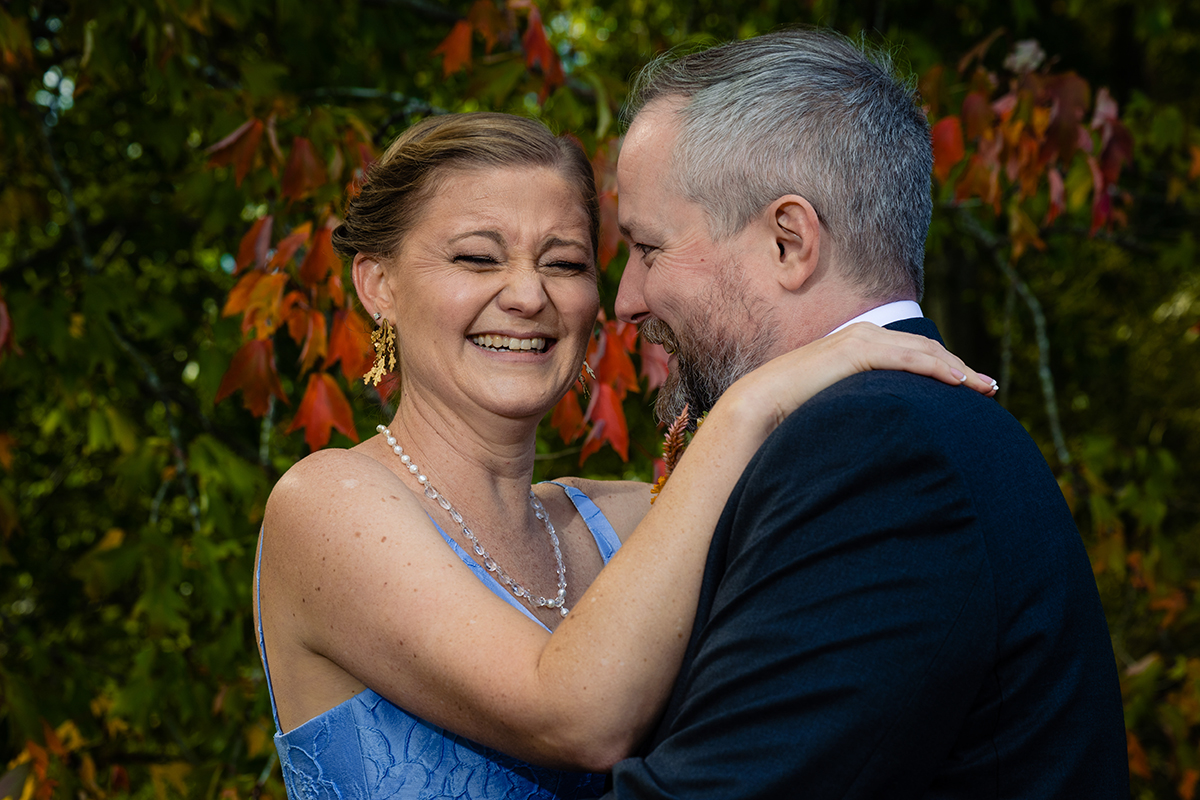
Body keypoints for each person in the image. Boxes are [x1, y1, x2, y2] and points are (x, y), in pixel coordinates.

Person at [253, 111, 997, 800]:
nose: (527, 295)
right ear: (378, 284)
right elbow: (577, 716)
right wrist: (747, 406)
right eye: (478, 258)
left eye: (566, 263)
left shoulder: (638, 516)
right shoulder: (326, 505)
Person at [604, 28, 1130, 799]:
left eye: (648, 248)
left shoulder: (879, 450)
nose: (626, 299)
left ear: (790, 241)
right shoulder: (899, 427)